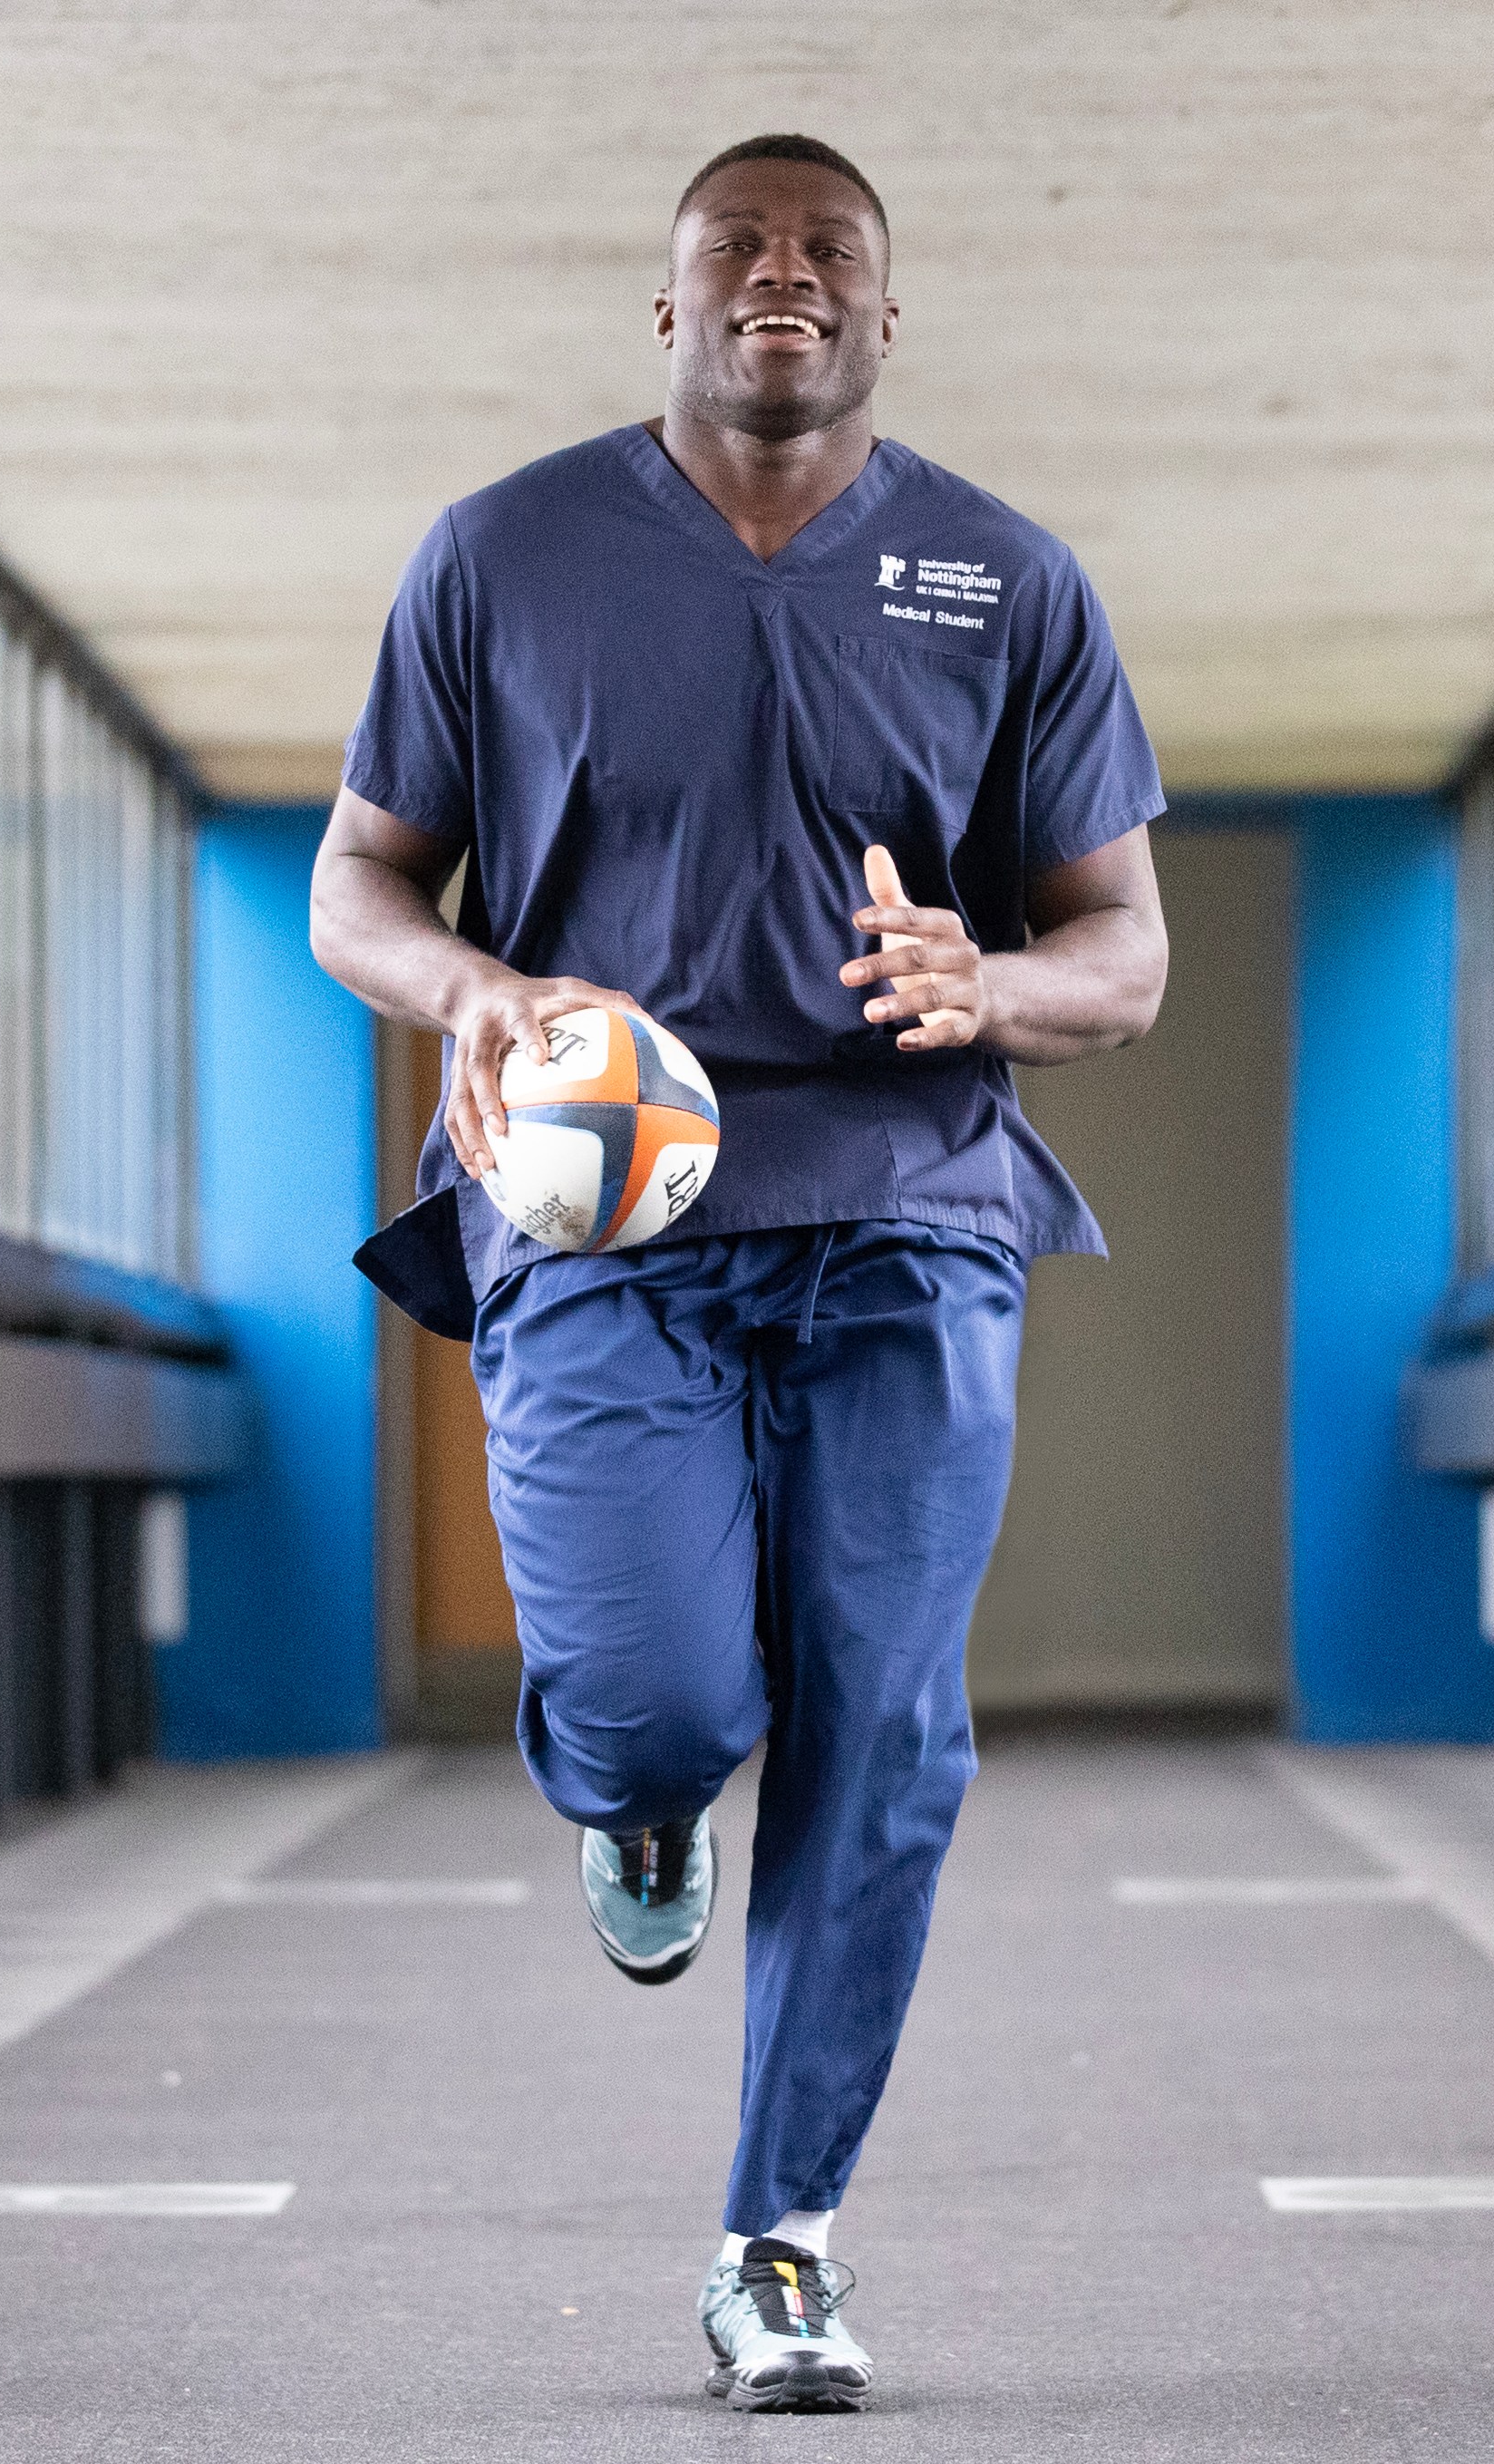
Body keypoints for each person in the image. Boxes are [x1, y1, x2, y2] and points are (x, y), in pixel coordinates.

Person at [306, 131, 1169, 2413]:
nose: (782, 280)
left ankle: (780, 2236)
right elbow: (358, 891)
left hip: (907, 1214)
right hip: (603, 1218)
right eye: (736, 252)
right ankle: (646, 1789)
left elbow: (1126, 954)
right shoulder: (501, 556)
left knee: (886, 1733)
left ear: (889, 316)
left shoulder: (1008, 577)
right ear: (665, 309)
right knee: (667, 1697)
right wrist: (477, 995)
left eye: (831, 256)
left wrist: (988, 984)